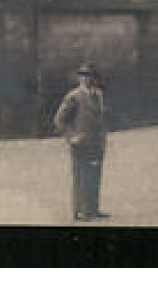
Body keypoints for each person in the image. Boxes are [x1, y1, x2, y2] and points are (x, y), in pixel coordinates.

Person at [53, 63, 108, 222]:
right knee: (81, 177)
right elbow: (59, 120)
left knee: (95, 176)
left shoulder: (98, 95)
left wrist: (103, 138)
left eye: (89, 75)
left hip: (96, 142)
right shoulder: (73, 96)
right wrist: (71, 138)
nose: (86, 79)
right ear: (79, 78)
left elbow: (101, 118)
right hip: (81, 144)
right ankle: (81, 211)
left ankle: (93, 209)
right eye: (83, 75)